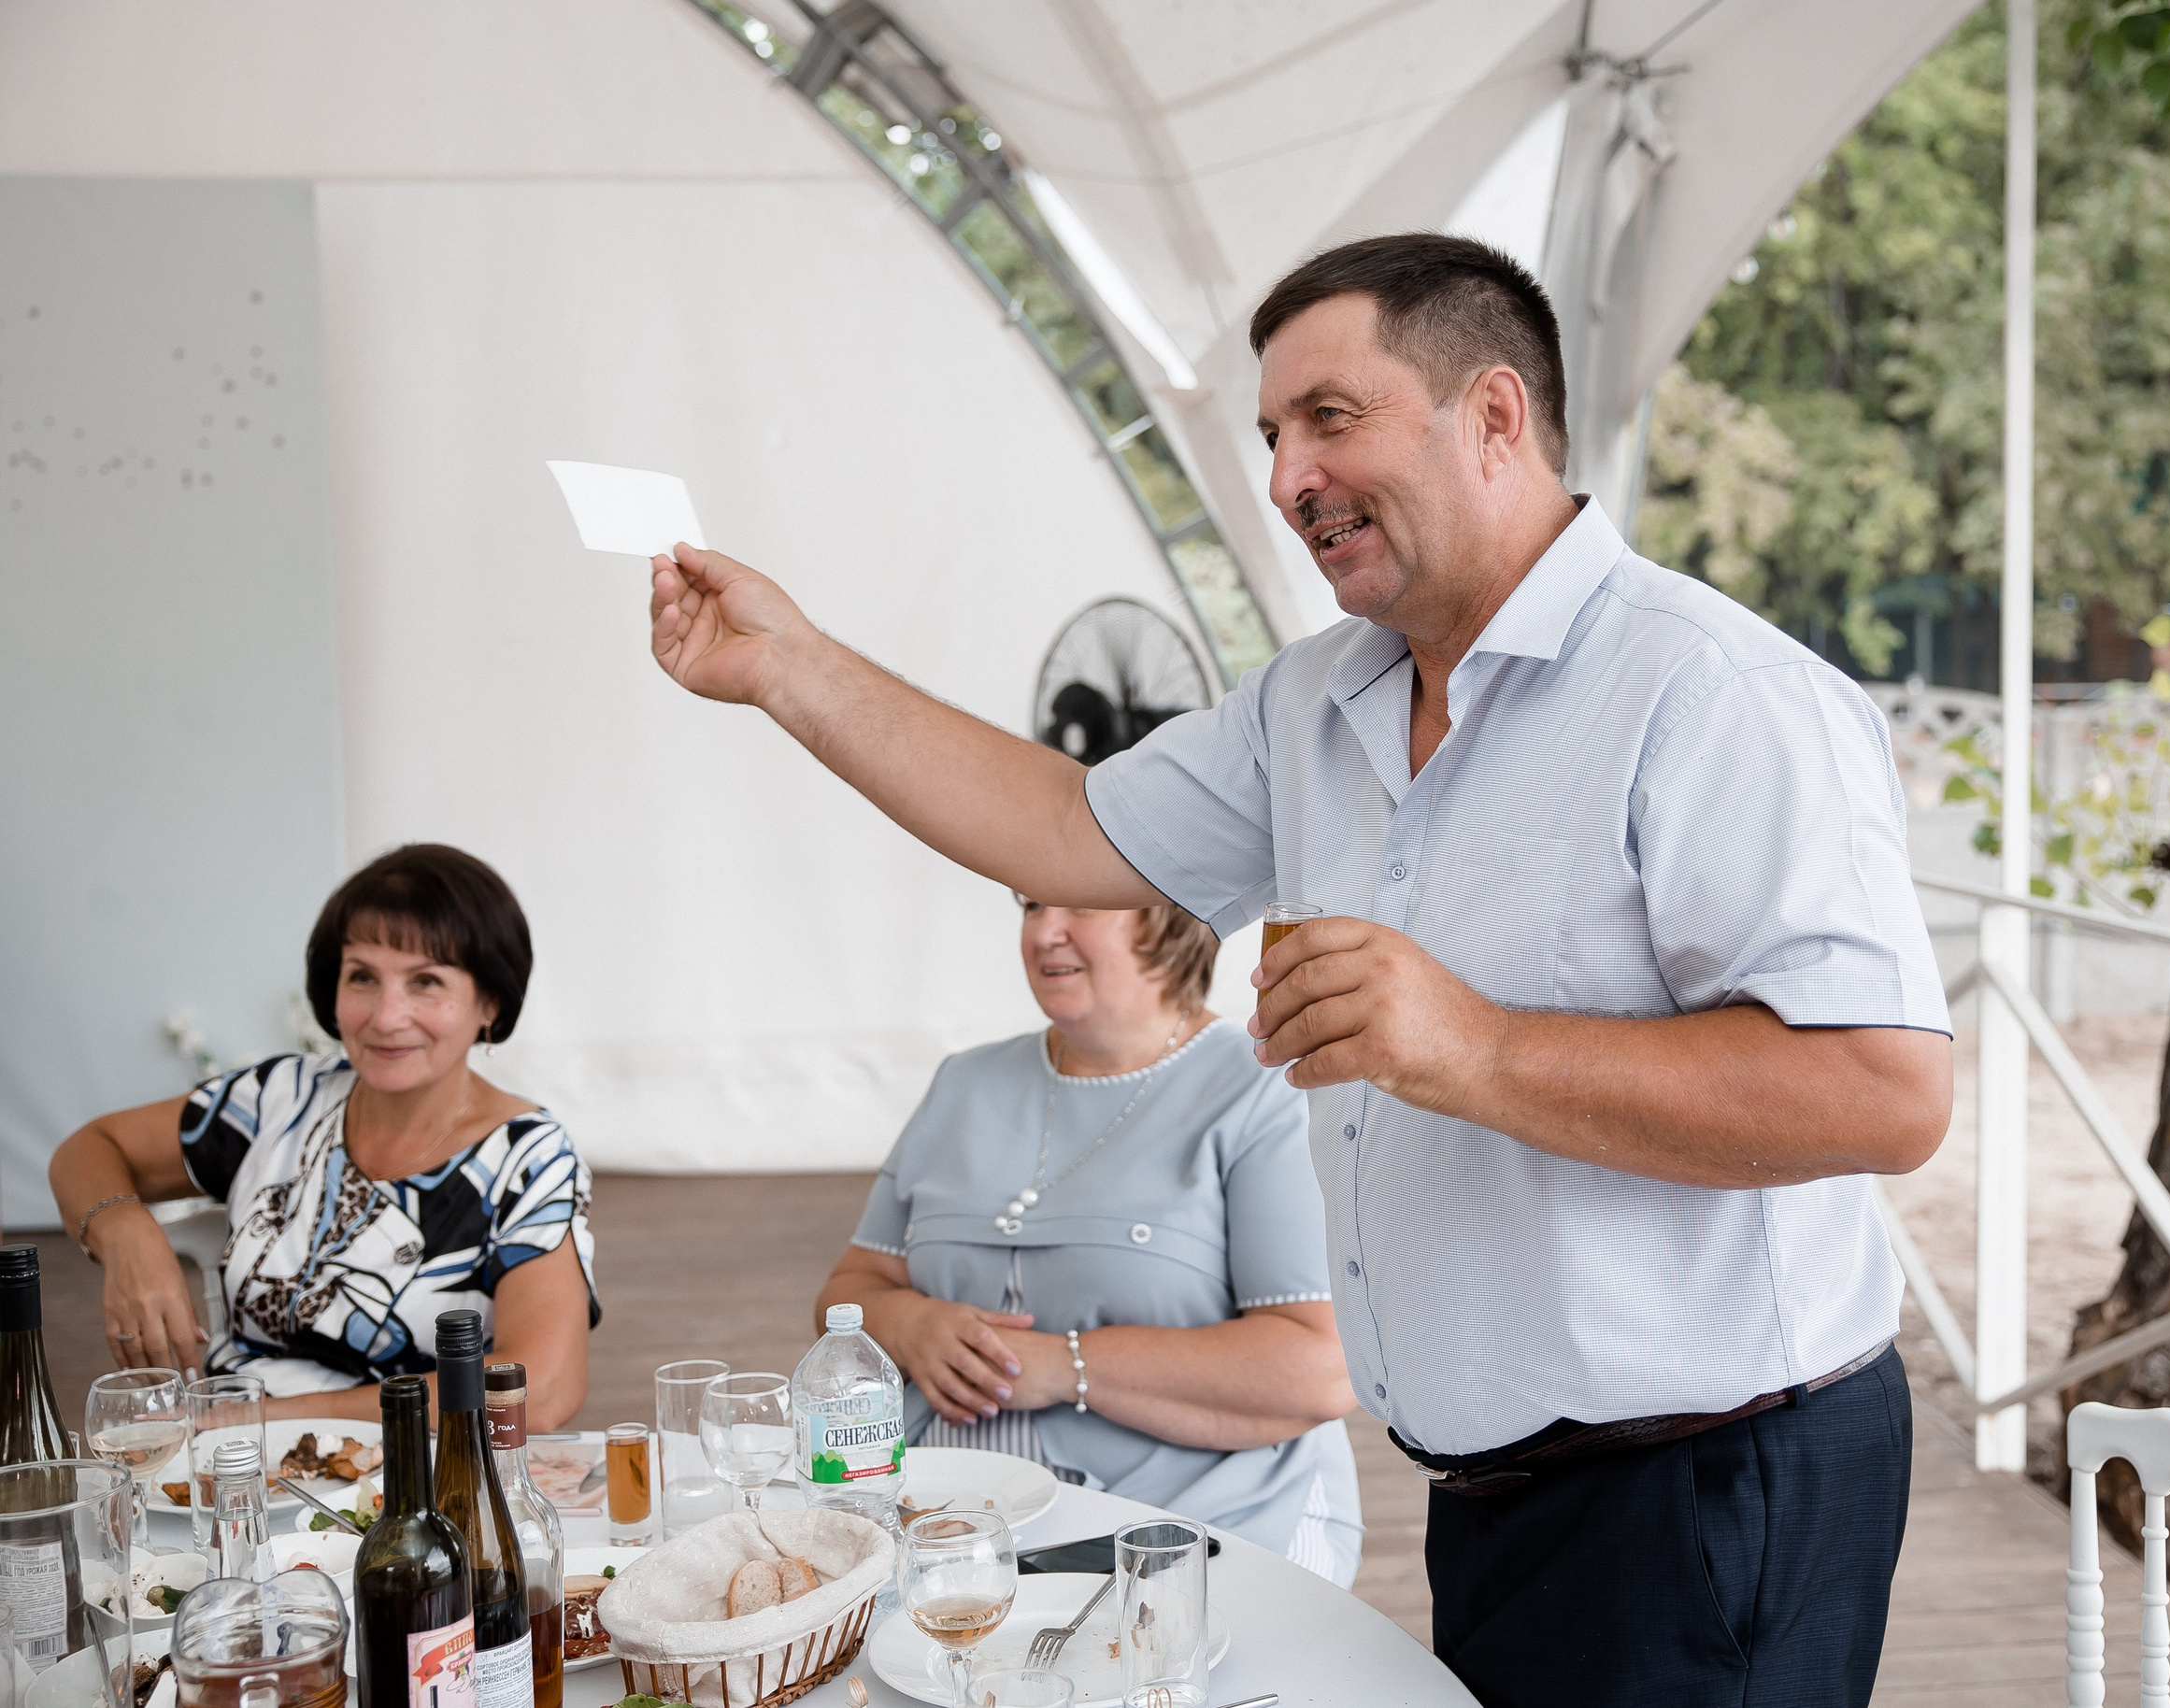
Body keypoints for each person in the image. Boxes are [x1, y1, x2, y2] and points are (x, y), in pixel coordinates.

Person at [642, 234, 1951, 1706]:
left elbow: (1885, 1092)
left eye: (1329, 418)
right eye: (1273, 435)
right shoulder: (1317, 701)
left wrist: (1470, 1046)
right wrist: (790, 667)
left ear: (1495, 417)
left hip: (1711, 1490)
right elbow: (1066, 825)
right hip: (1492, 1497)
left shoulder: (1715, 694)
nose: (1284, 479)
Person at [818, 894, 1363, 1582]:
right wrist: (909, 1324)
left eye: (1080, 904)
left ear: (1172, 915)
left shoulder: (1264, 1090)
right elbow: (849, 1293)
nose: (1045, 931)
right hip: (939, 1526)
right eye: (1031, 905)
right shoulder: (964, 1082)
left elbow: (1320, 1369)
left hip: (1187, 1535)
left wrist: (1062, 1366)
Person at [50, 844, 595, 1430]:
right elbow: (88, 1150)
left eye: (425, 982)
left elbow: (541, 1387)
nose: (386, 1017)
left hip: (418, 1468)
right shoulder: (280, 1101)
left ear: (489, 1002)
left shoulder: (527, 1159)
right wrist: (127, 1234)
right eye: (362, 977)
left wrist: (279, 1419)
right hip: (234, 1464)